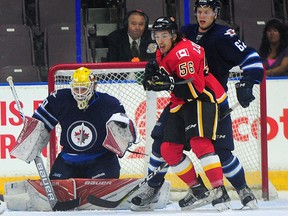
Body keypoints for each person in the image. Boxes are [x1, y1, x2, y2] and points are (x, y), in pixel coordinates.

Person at [131, 0, 264, 211]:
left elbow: (252, 58)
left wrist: (249, 81)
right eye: (199, 11)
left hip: (209, 99)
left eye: (207, 12)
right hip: (181, 99)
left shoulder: (224, 35)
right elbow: (168, 55)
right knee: (161, 143)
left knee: (220, 149)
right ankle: (154, 188)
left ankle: (242, 189)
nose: (202, 16)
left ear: (215, 13)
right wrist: (156, 64)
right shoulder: (185, 32)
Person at [132, 16, 232, 212]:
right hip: (180, 102)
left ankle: (219, 190)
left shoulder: (184, 54)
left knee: (199, 142)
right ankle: (197, 189)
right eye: (157, 35)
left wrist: (167, 83)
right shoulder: (165, 50)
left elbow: (195, 89)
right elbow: (171, 77)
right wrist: (154, 76)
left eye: (164, 35)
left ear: (174, 35)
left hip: (202, 98)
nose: (160, 40)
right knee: (168, 149)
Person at [11, 67, 137, 180]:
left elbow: (126, 130)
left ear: (93, 86)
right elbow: (40, 123)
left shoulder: (108, 103)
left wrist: (125, 132)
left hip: (101, 160)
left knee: (100, 190)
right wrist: (31, 136)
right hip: (68, 160)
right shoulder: (60, 100)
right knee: (57, 189)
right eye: (76, 88)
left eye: (83, 89)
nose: (79, 93)